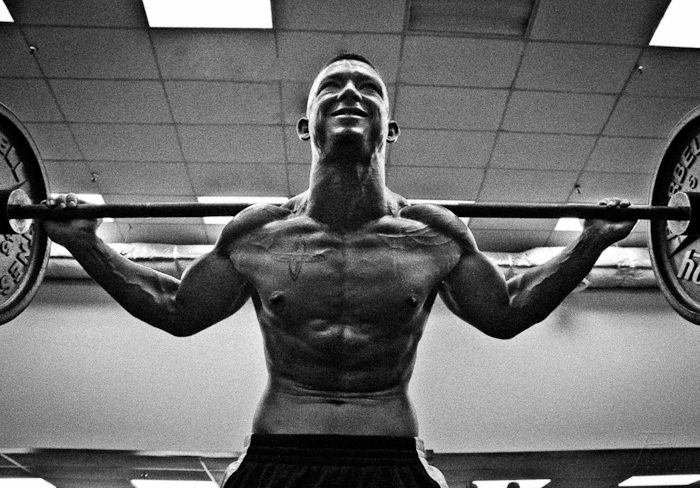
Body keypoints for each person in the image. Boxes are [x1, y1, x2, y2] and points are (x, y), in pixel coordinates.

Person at [43, 54, 636, 488]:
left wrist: (590, 243)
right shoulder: (258, 232)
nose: (349, 92)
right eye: (330, 86)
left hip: (389, 457)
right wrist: (86, 246)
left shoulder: (435, 233)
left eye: (368, 88)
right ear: (307, 125)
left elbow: (505, 312)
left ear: (390, 128)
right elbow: (177, 309)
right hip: (279, 456)